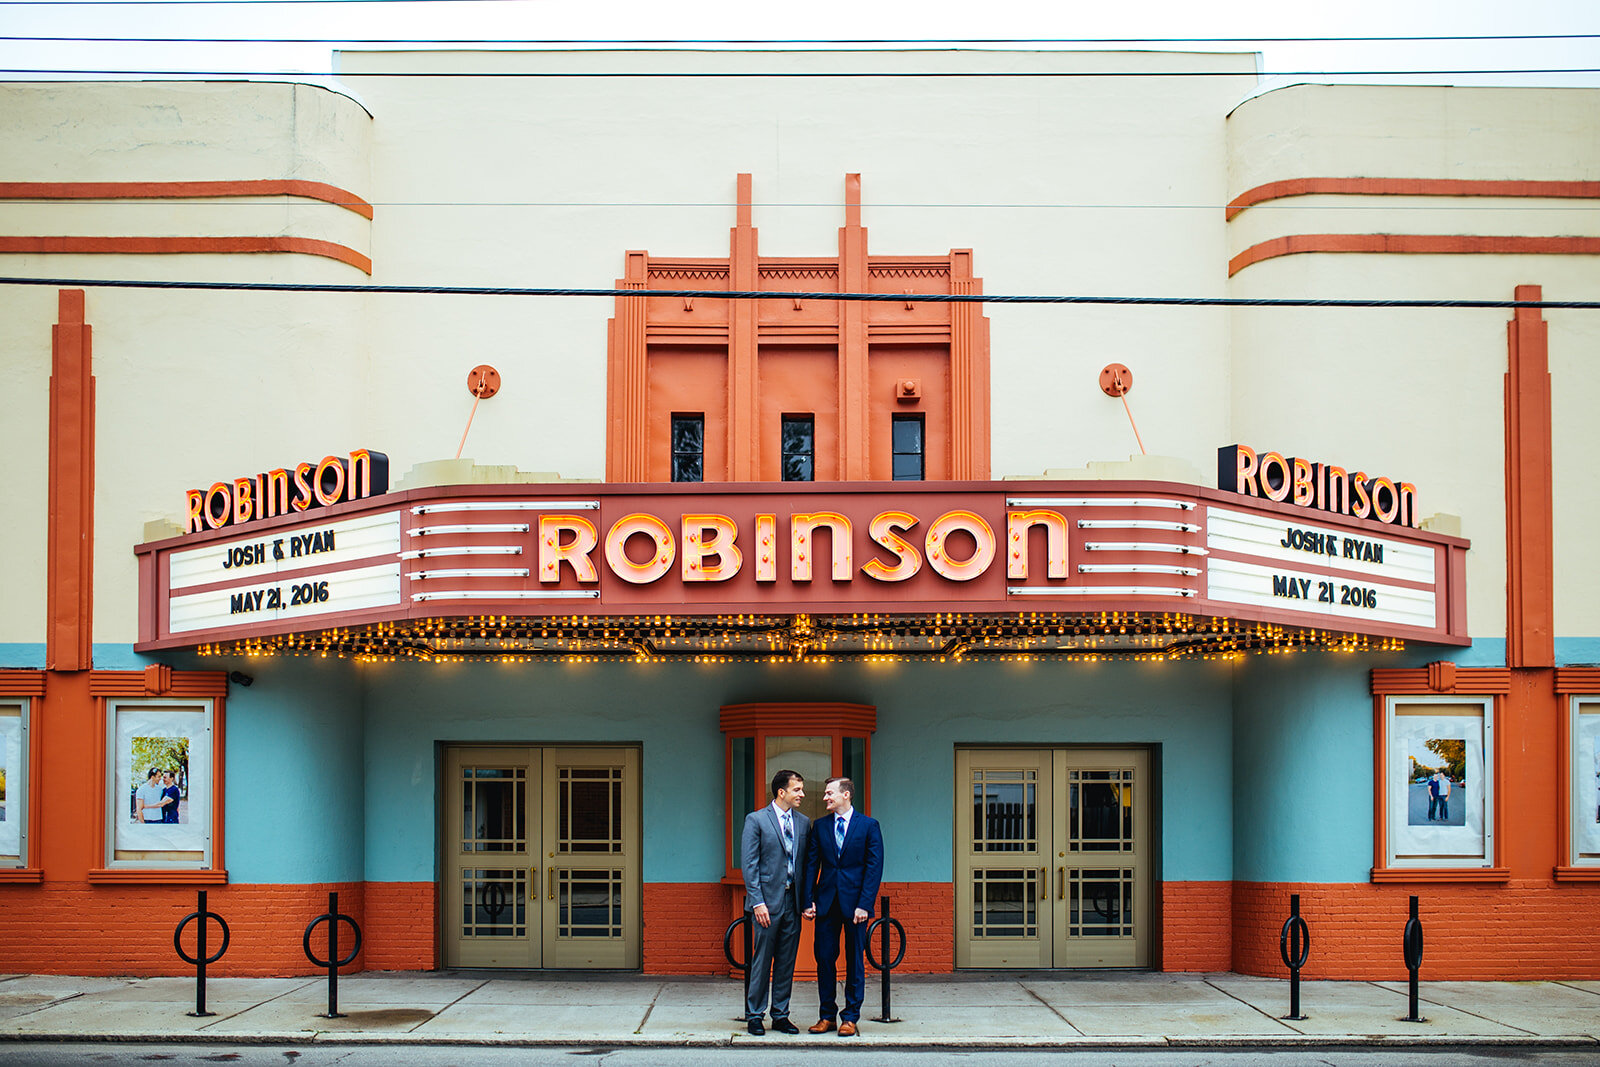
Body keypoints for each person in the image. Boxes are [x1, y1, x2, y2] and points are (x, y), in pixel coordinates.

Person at [804, 776, 883, 1037]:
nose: (825, 797)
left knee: (854, 961)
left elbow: (874, 868)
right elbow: (811, 865)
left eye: (830, 793)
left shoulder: (869, 826)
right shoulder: (820, 826)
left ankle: (850, 1016)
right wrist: (808, 900)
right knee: (824, 959)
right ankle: (827, 1016)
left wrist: (865, 904)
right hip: (826, 903)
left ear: (846, 795)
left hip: (855, 906)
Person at [740, 769, 810, 1036]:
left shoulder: (803, 823)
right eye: (797, 790)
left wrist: (806, 901)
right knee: (762, 960)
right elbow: (750, 864)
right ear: (781, 792)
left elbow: (805, 864)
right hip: (766, 904)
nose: (801, 794)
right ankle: (755, 1015)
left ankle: (780, 1015)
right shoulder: (756, 820)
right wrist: (757, 902)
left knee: (786, 961)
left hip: (793, 901)